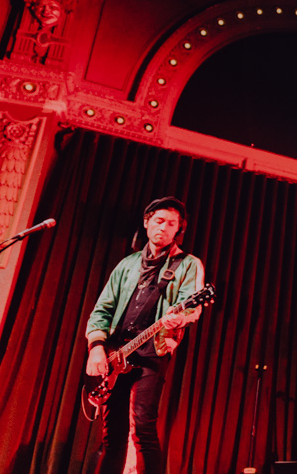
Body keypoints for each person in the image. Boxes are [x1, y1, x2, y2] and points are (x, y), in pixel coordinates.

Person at [85, 197, 205, 474]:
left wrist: (181, 315)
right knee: (111, 435)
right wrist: (96, 347)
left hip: (153, 351)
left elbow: (193, 306)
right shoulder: (127, 264)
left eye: (171, 223)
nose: (163, 227)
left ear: (179, 229)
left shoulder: (188, 264)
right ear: (147, 222)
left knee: (143, 427)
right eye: (159, 221)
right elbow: (102, 309)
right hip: (117, 352)